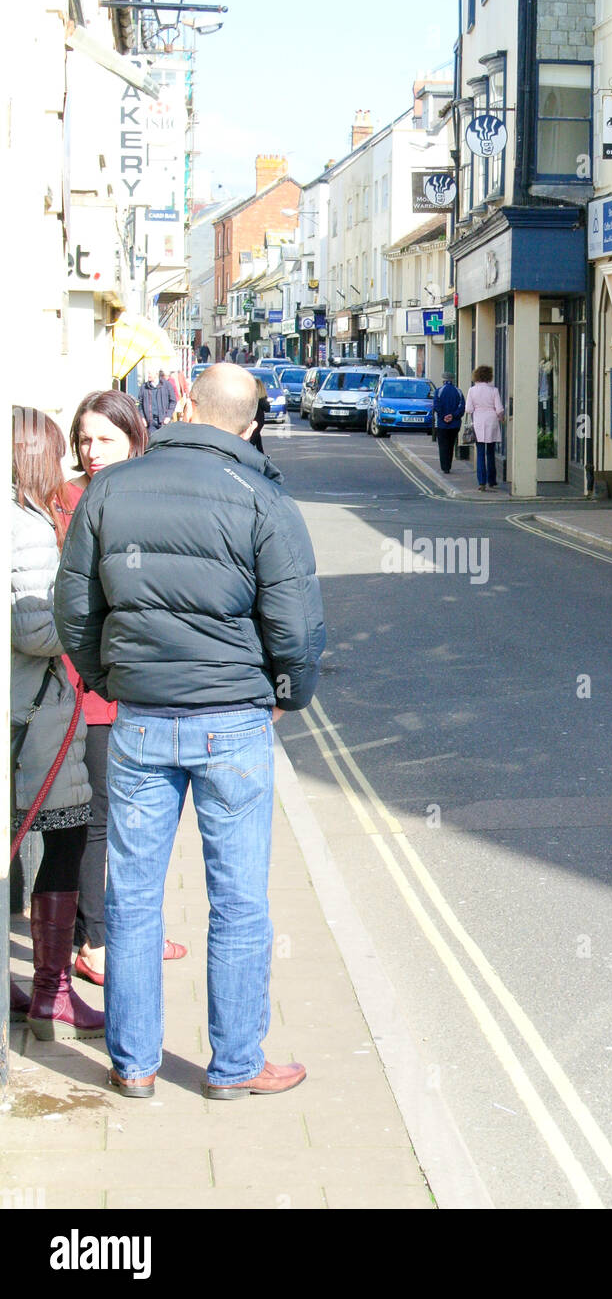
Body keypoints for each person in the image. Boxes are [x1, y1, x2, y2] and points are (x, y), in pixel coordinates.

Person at [55, 364, 326, 1100]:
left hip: (141, 720)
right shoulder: (264, 498)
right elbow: (298, 631)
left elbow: (73, 611)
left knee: (133, 897)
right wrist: (284, 696)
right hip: (233, 724)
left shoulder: (109, 490)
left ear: (182, 407)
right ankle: (235, 1067)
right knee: (238, 899)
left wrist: (112, 680)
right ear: (248, 426)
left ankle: (134, 1064)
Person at [63, 390, 187, 989]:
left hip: (142, 686)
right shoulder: (74, 502)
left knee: (141, 818)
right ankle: (95, 940)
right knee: (100, 816)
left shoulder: (141, 498)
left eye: (104, 440)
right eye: (84, 440)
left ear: (135, 441)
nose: (92, 452)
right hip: (94, 686)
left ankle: (132, 928)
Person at [11, 406, 103, 1041]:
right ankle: (52, 994)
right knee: (63, 839)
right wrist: (90, 610)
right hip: (39, 711)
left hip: (28, 710)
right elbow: (34, 628)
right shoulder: (27, 528)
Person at [465, 365, 504, 491]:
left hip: (479, 421)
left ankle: (481, 482)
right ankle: (492, 480)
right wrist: (501, 418)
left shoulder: (472, 390)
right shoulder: (494, 390)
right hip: (491, 420)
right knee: (491, 452)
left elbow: (469, 409)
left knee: (480, 453)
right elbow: (499, 409)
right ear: (489, 376)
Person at [433, 371, 465, 474]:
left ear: (443, 380)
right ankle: (449, 465)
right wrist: (453, 416)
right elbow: (461, 407)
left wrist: (444, 416)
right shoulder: (458, 392)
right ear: (453, 380)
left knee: (443, 446)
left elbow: (436, 406)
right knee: (451, 445)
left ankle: (444, 467)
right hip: (454, 424)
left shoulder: (438, 391)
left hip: (442, 424)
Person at [138, 369, 177, 438]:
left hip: (163, 421)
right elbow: (140, 405)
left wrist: (168, 416)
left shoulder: (167, 385)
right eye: (148, 373)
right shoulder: (144, 387)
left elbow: (173, 401)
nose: (148, 375)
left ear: (156, 374)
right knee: (152, 442)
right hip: (150, 423)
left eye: (150, 373)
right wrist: (142, 418)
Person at [249, 377, 269, 454]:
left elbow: (267, 408)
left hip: (257, 420)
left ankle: (247, 454)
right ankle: (261, 454)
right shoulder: (255, 398)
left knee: (253, 439)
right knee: (257, 439)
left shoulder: (260, 399)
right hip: (256, 420)